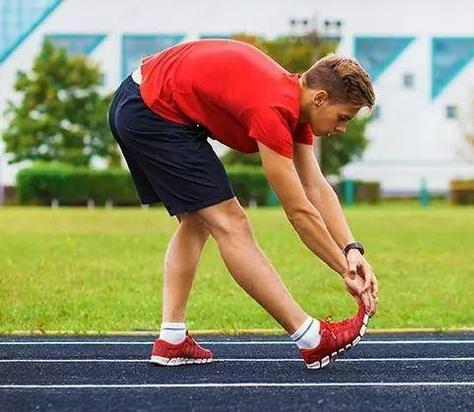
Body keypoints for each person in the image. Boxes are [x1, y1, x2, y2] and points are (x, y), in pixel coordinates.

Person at [107, 39, 379, 369]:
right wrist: (343, 269)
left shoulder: (295, 107)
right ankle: (311, 338)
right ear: (320, 98)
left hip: (145, 102)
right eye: (343, 117)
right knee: (231, 223)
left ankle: (172, 339)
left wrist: (352, 250)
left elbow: (315, 187)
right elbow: (298, 211)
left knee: (197, 221)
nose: (342, 128)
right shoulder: (273, 108)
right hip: (150, 109)